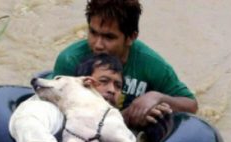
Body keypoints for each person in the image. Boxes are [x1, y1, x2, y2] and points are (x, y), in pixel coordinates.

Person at [52, 0, 197, 130]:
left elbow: (191, 105)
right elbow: (58, 117)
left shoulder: (151, 65)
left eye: (109, 37)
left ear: (131, 37)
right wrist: (125, 117)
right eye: (93, 32)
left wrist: (157, 97)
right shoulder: (70, 60)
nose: (97, 45)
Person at [9, 53, 130, 142]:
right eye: (103, 81)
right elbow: (28, 123)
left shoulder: (114, 123)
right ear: (83, 83)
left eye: (118, 86)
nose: (112, 90)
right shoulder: (50, 108)